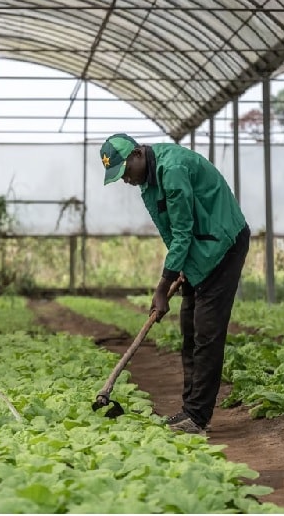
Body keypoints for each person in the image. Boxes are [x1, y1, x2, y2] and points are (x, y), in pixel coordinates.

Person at [99, 133, 249, 436]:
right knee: (189, 330)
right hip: (198, 250)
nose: (126, 180)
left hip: (222, 247)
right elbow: (172, 231)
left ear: (138, 154)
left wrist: (162, 287)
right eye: (120, 176)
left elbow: (182, 231)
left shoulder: (173, 169)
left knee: (206, 332)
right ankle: (190, 410)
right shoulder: (148, 180)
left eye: (125, 171)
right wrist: (181, 269)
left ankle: (197, 417)